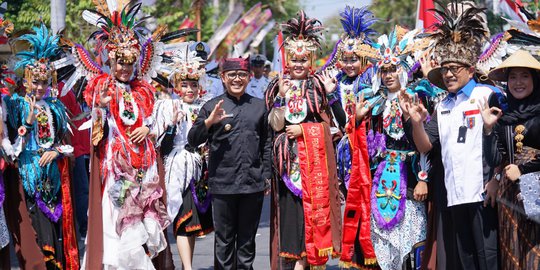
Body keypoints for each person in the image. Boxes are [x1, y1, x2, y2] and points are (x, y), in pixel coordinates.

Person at [403, 2, 499, 269]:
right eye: (444, 69)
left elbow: (504, 143)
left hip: (482, 193)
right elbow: (425, 145)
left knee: (488, 258)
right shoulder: (443, 105)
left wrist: (497, 177)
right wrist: (416, 122)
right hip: (454, 195)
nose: (448, 74)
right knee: (465, 259)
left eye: (454, 68)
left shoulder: (488, 95)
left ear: (470, 69)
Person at [81, 3, 170, 269]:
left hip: (144, 161)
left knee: (144, 213)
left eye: (130, 63)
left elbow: (155, 120)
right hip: (117, 162)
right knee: (117, 211)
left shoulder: (143, 89)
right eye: (121, 62)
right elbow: (94, 122)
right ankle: (117, 263)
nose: (125, 68)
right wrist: (101, 105)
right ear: (110, 59)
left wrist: (149, 130)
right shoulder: (100, 85)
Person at [266, 10, 344, 269]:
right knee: (292, 222)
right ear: (287, 59)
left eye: (303, 60)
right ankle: (295, 261)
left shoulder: (319, 86)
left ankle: (309, 262)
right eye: (294, 59)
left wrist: (305, 130)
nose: (298, 64)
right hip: (288, 163)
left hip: (315, 164)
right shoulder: (277, 85)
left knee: (314, 220)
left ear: (309, 60)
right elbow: (275, 125)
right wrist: (280, 97)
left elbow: (336, 126)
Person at [4, 23, 79, 269]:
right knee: (37, 230)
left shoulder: (55, 106)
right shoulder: (16, 104)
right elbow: (13, 142)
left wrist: (55, 151)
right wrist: (28, 121)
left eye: (43, 82)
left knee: (57, 231)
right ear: (26, 81)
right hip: (28, 172)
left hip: (53, 174)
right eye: (35, 82)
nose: (39, 87)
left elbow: (64, 142)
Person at [188, 56, 272, 270]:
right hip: (222, 184)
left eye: (242, 75)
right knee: (224, 241)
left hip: (252, 183)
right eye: (232, 75)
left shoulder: (260, 106)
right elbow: (193, 140)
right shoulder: (211, 107)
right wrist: (208, 122)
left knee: (247, 241)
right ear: (223, 77)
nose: (237, 79)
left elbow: (267, 144)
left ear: (249, 77)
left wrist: (267, 176)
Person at [152, 49, 213, 270]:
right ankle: (187, 267)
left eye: (193, 85)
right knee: (183, 220)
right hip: (178, 169)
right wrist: (172, 125)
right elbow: (163, 146)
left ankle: (189, 264)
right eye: (185, 85)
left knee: (194, 222)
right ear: (177, 86)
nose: (189, 89)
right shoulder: (168, 106)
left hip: (201, 167)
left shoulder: (206, 107)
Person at [481, 50, 540, 270]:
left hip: (537, 194)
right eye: (513, 77)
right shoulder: (503, 117)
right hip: (510, 197)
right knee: (512, 255)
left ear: (535, 79)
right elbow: (496, 157)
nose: (518, 82)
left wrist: (524, 170)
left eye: (524, 76)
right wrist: (488, 129)